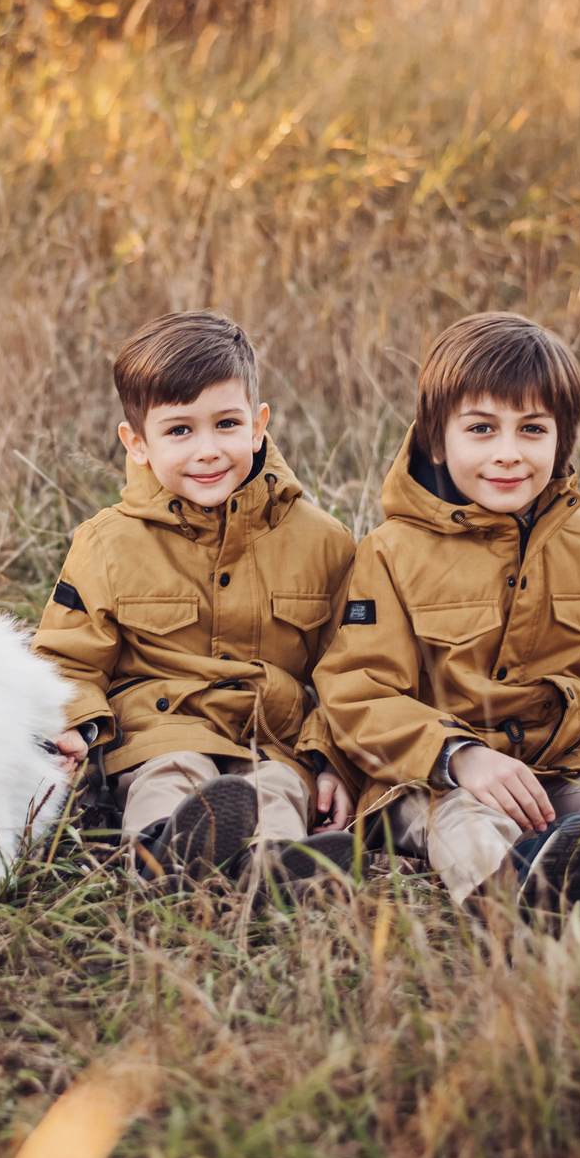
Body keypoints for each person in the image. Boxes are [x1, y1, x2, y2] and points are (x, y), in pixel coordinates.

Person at [314, 311, 580, 916]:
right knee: (463, 817)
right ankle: (516, 908)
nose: (508, 454)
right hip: (432, 780)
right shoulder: (390, 553)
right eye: (482, 429)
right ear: (438, 440)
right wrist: (460, 755)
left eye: (532, 429)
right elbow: (358, 691)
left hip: (557, 775)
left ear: (562, 438)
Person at [35, 310, 359, 879]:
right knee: (173, 772)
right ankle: (164, 856)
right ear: (137, 443)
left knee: (278, 786)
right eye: (179, 431)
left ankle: (276, 870)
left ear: (258, 426)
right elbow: (68, 658)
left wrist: (333, 760)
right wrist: (75, 726)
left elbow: (349, 670)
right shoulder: (107, 543)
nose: (207, 450)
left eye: (226, 424)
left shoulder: (323, 542)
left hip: (271, 739)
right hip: (160, 732)